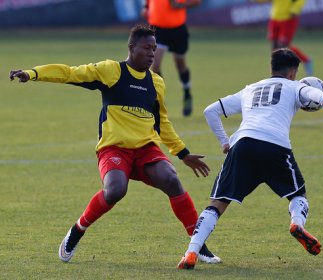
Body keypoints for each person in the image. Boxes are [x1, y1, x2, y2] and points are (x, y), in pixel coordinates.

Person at [9, 24, 220, 264]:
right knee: (116, 190)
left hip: (146, 149)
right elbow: (69, 73)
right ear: (131, 48)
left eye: (154, 49)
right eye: (146, 48)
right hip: (114, 148)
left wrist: (183, 154)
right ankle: (78, 229)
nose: (152, 53)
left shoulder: (156, 82)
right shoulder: (111, 71)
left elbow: (162, 123)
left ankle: (198, 245)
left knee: (172, 180)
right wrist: (33, 73)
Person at [177, 48, 323, 269]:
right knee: (298, 194)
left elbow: (210, 111)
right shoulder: (295, 86)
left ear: (272, 67)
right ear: (294, 72)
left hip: (243, 145)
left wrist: (224, 142)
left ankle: (191, 252)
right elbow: (309, 94)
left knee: (217, 203)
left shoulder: (250, 89)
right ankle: (296, 224)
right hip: (275, 146)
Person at [141, 0, 201, 117]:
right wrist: (145, 7)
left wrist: (181, 4)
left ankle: (187, 92)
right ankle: (159, 99)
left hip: (177, 29)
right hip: (157, 29)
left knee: (180, 65)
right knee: (155, 65)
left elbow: (197, 2)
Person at [254, 0, 313, 75]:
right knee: (275, 47)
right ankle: (277, 72)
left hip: (288, 18)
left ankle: (283, 71)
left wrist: (295, 9)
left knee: (282, 46)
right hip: (275, 17)